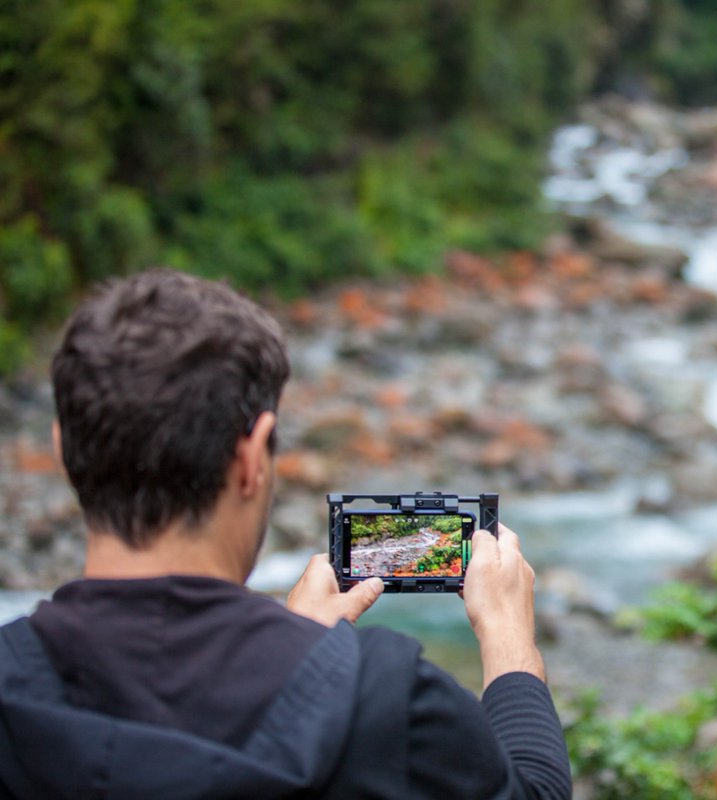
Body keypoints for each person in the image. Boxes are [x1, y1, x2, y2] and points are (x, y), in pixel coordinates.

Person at [0, 269, 571, 799]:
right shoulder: (384, 701)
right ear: (251, 457)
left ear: (62, 449)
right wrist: (507, 637)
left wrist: (298, 640)